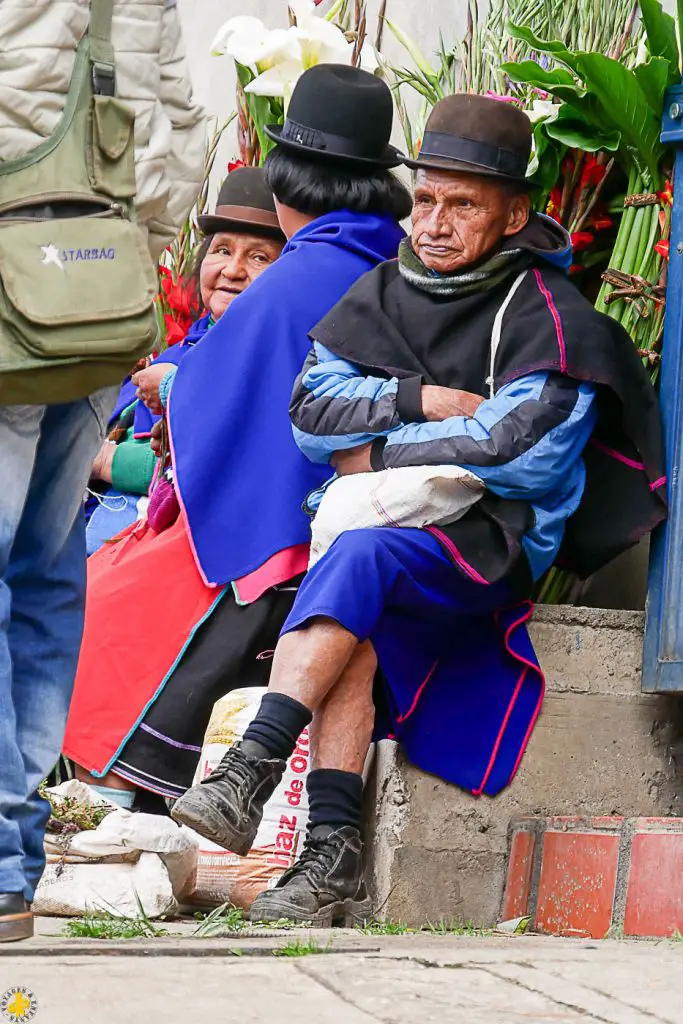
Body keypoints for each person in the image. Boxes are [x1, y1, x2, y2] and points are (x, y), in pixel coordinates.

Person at [171, 94, 667, 926]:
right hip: (389, 533)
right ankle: (330, 855)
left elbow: (520, 449)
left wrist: (371, 451)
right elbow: (310, 415)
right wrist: (427, 399)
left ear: (514, 214)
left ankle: (253, 763)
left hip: (489, 542)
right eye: (426, 199)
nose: (434, 223)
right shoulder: (380, 289)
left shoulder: (550, 316)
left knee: (355, 559)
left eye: (462, 204)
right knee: (354, 621)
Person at [62, 65, 410, 812]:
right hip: (359, 513)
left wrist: (171, 389)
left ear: (286, 184)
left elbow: (233, 404)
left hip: (287, 533)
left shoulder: (301, 276)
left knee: (108, 601)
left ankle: (107, 802)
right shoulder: (386, 259)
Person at [0, 0, 204, 942]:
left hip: (9, 288)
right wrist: (141, 246)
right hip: (97, 291)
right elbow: (180, 121)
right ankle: (12, 860)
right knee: (44, 577)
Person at [85, 167, 285, 553]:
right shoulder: (183, 349)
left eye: (258, 257)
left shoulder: (269, 360)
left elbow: (195, 465)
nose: (232, 270)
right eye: (222, 250)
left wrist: (98, 459)